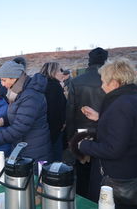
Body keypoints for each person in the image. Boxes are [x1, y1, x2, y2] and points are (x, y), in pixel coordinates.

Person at [77, 58, 137, 209]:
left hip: (116, 178)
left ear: (115, 82)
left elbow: (113, 149)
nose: (102, 87)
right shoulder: (130, 98)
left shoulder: (121, 104)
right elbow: (127, 129)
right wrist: (100, 117)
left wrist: (83, 145)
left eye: (104, 82)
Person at [0, 60, 52, 172]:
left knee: (33, 181)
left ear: (13, 78)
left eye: (4, 80)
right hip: (23, 145)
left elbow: (20, 127)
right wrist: (1, 121)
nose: (2, 84)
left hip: (34, 148)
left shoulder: (30, 96)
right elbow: (19, 115)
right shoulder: (19, 91)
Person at [66, 47, 108, 198]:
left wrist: (70, 138)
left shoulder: (77, 81)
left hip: (81, 131)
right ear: (105, 61)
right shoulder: (110, 80)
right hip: (105, 130)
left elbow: (70, 111)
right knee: (102, 170)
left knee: (83, 169)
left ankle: (83, 199)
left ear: (89, 61)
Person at [40, 62, 66, 161]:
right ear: (53, 72)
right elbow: (56, 112)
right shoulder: (54, 87)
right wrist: (62, 124)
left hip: (41, 132)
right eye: (60, 70)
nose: (62, 73)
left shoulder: (42, 85)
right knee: (55, 162)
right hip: (53, 132)